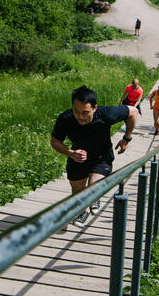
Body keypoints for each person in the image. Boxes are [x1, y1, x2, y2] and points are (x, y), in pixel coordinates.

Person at [51, 85, 138, 227]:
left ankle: (94, 196)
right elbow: (55, 141)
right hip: (77, 157)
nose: (80, 117)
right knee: (78, 193)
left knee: (92, 189)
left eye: (85, 113)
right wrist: (70, 153)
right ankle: (84, 211)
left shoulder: (107, 114)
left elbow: (133, 112)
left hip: (101, 157)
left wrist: (126, 138)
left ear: (95, 108)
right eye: (76, 111)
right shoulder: (65, 118)